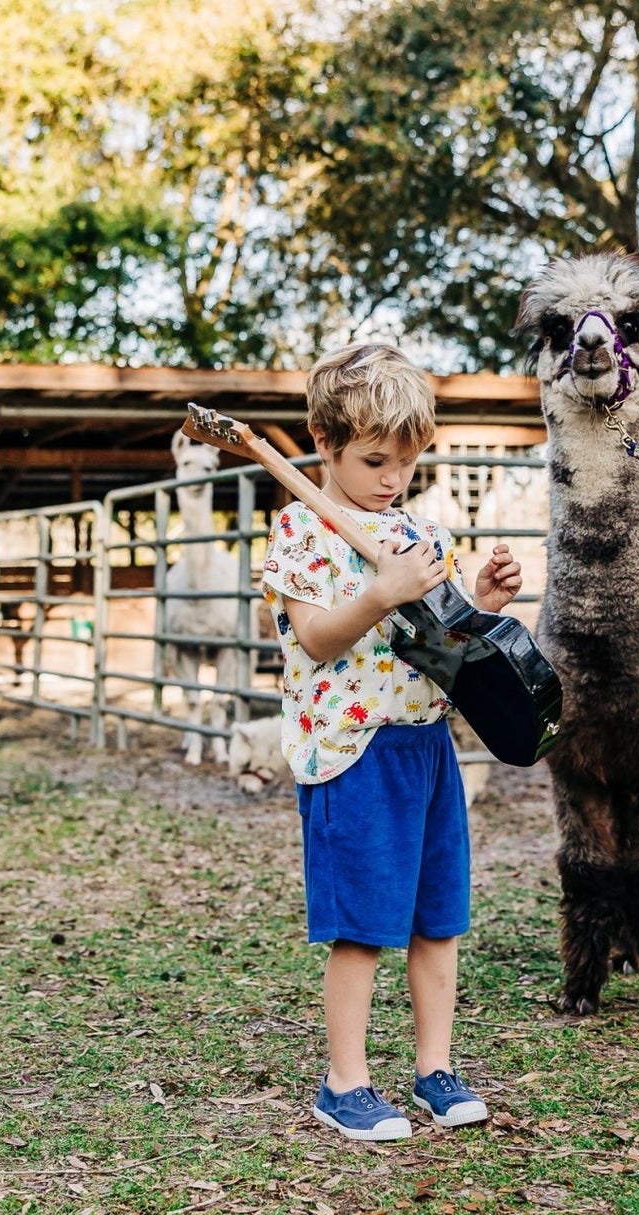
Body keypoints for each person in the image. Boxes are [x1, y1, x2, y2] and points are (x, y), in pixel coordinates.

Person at [261, 342, 524, 1141]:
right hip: (350, 748)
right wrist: (379, 593)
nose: (391, 479)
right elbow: (315, 640)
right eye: (375, 460)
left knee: (435, 918)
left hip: (425, 744)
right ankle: (345, 1082)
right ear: (322, 439)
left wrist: (475, 601)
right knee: (364, 927)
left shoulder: (417, 535)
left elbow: (441, 651)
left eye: (406, 463)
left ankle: (434, 1069)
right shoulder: (301, 530)